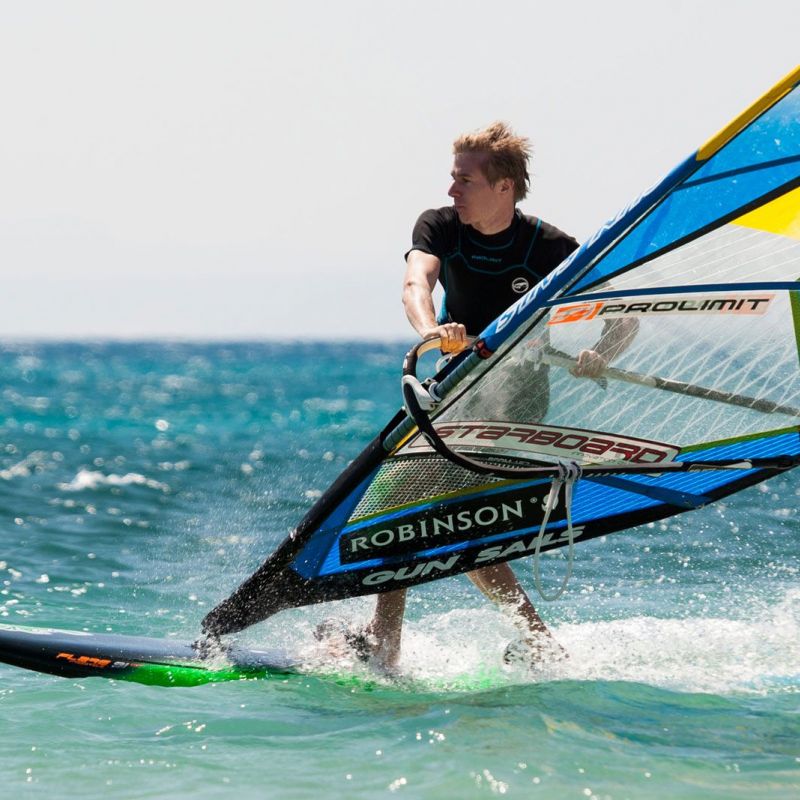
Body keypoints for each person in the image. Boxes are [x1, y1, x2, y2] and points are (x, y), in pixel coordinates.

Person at [357, 122, 635, 670]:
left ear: (504, 187)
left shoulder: (550, 248)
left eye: (465, 180)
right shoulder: (441, 226)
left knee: (416, 513)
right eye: (453, 177)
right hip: (456, 391)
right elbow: (417, 284)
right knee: (436, 519)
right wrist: (433, 333)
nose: (452, 190)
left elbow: (622, 316)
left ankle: (386, 651)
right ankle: (535, 642)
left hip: (517, 404)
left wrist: (601, 353)